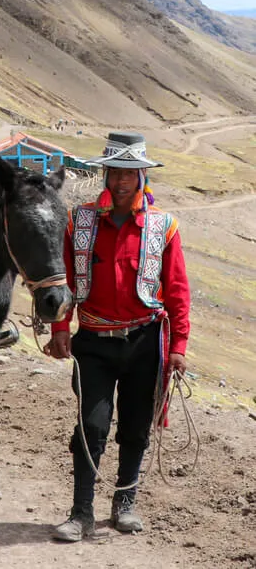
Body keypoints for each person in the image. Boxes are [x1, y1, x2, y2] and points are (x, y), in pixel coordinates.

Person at [44, 132, 190, 542]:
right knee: (91, 425)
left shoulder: (164, 227)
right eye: (115, 172)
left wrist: (178, 347)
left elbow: (177, 290)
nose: (122, 181)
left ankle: (125, 501)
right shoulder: (80, 221)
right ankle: (81, 513)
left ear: (143, 175)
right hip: (93, 340)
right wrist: (59, 328)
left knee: (136, 425)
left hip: (145, 341)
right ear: (105, 174)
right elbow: (66, 280)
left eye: (130, 173)